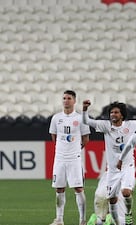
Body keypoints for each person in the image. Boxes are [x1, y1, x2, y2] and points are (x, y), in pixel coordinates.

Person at [49, 90, 91, 225]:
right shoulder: (56, 118)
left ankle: (82, 220)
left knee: (78, 188)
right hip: (60, 158)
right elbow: (54, 136)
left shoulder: (80, 118)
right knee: (59, 188)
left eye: (69, 98)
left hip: (74, 158)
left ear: (74, 101)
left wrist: (74, 150)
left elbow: (85, 139)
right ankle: (59, 219)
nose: (66, 100)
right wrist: (62, 149)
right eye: (64, 98)